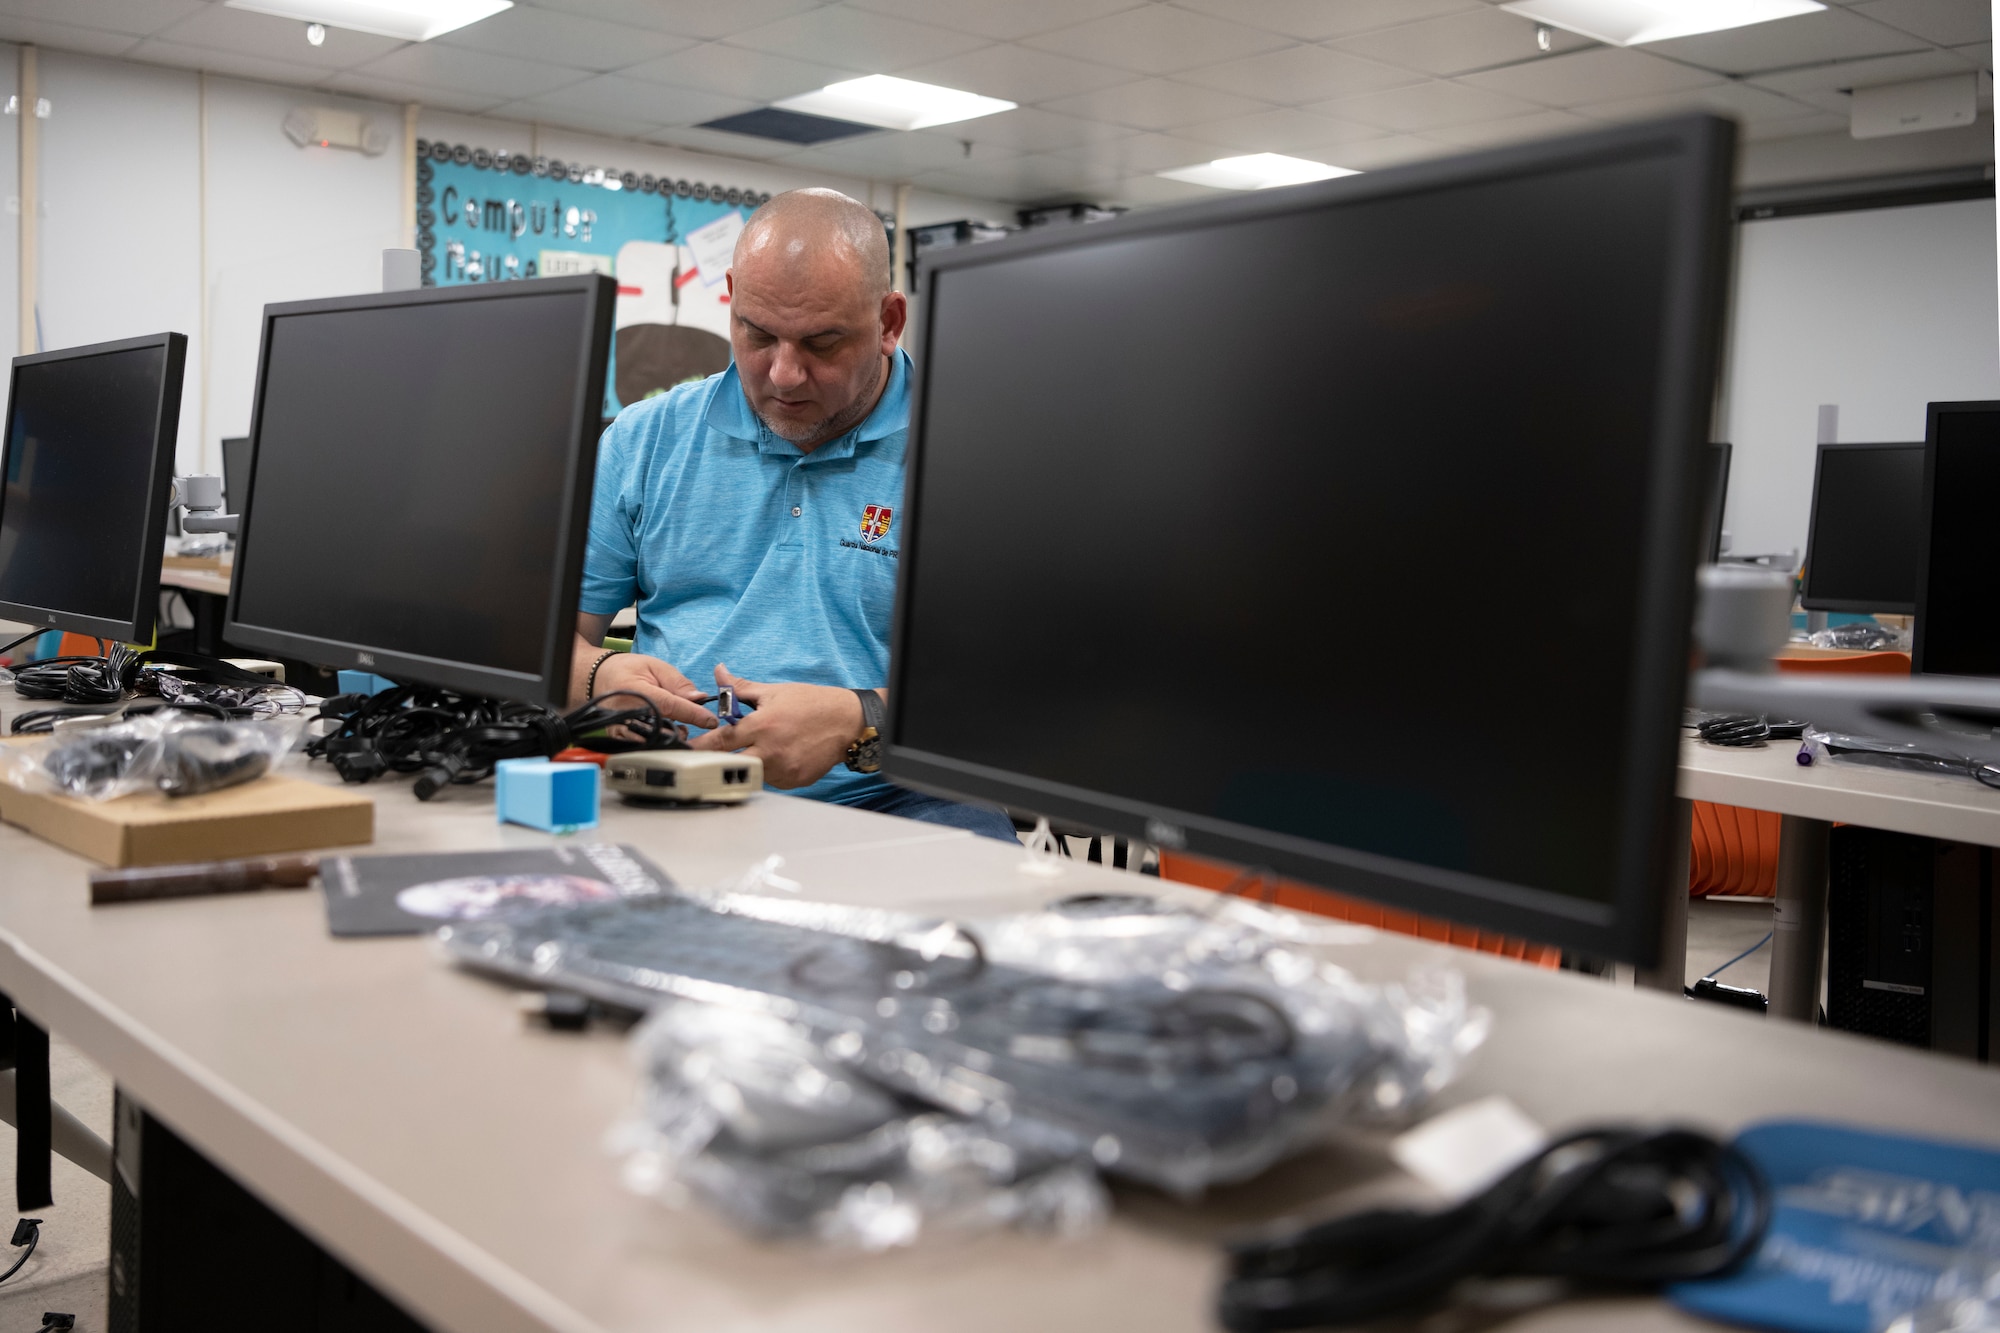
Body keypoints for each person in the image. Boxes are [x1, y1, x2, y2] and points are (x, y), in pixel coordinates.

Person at [573, 187, 1015, 841]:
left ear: (889, 321)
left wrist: (860, 719)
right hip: (680, 782)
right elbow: (535, 644)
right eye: (757, 333)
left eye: (822, 342)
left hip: (902, 798)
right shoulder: (646, 439)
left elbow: (1030, 699)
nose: (783, 374)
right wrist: (596, 673)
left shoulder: (981, 453)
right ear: (730, 296)